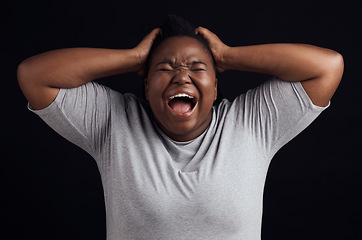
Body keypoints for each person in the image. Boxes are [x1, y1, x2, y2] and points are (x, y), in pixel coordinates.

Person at [17, 15, 343, 240]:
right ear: (146, 86)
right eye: (166, 67)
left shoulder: (251, 122)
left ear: (215, 86)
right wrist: (133, 57)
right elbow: (34, 75)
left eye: (197, 68)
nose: (181, 76)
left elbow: (327, 67)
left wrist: (227, 56)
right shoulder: (115, 122)